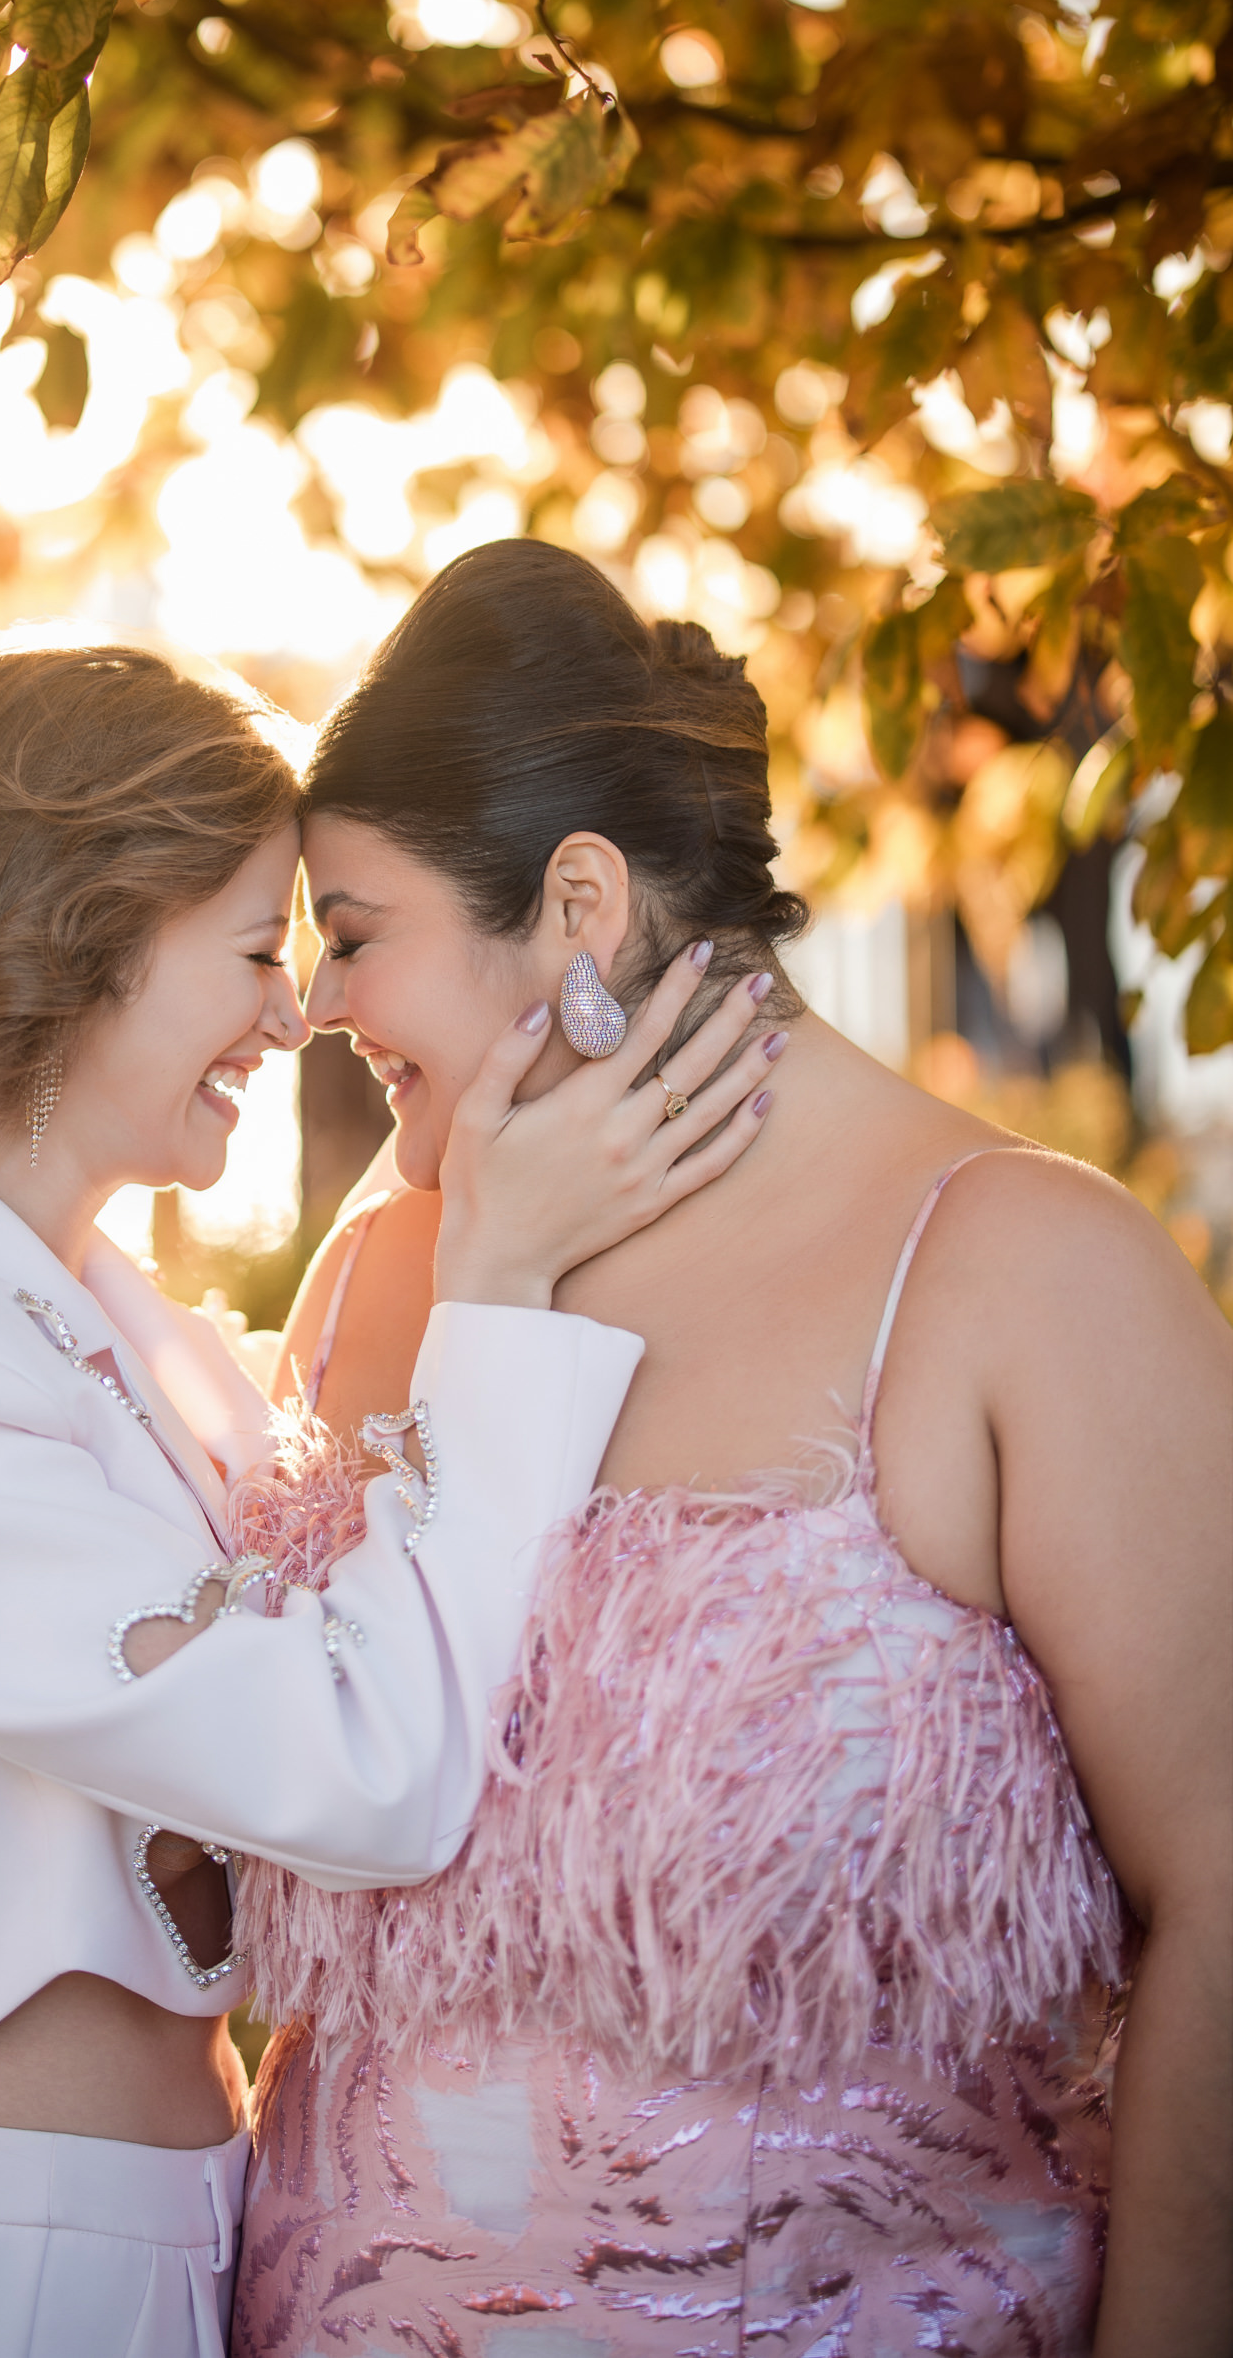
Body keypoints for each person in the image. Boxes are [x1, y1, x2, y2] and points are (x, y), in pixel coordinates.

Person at [0, 642, 781, 2358]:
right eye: (262, 953)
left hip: (176, 2227)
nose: (299, 1016)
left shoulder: (69, 1296)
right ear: (82, 943)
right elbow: (362, 1764)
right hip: (13, 2276)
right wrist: (494, 1282)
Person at [232, 540, 1231, 2357]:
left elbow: (1226, 1894)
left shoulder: (1024, 1271)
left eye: (356, 937)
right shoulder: (388, 1267)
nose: (313, 1008)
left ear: (581, 904)